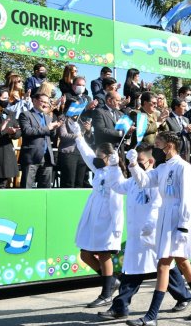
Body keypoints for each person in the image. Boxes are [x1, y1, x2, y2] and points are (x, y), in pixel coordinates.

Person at [97, 143, 191, 320]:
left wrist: (151, 224)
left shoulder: (156, 180)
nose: (137, 164)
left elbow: (159, 204)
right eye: (135, 161)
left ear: (151, 161)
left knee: (162, 268)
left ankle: (183, 296)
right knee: (136, 270)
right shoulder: (134, 180)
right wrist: (113, 166)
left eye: (140, 161)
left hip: (153, 233)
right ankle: (121, 306)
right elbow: (117, 186)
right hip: (136, 235)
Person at [126, 131, 191, 324]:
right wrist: (132, 165)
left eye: (159, 143)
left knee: (164, 264)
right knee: (181, 262)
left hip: (178, 218)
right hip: (165, 215)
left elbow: (187, 199)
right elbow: (145, 181)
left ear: (170, 145)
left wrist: (183, 227)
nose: (156, 147)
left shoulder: (184, 167)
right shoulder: (163, 168)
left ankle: (151, 316)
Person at [69, 121, 124, 308]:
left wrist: (117, 228)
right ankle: (112, 281)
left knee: (103, 253)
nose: (98, 159)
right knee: (85, 253)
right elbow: (87, 154)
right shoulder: (99, 170)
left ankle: (106, 293)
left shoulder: (115, 175)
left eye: (102, 156)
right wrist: (78, 136)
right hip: (93, 216)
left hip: (107, 219)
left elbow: (117, 203)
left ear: (110, 157)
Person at [18, 93, 62, 188]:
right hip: (31, 157)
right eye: (43, 101)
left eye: (47, 103)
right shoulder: (25, 115)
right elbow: (27, 131)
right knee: (27, 187)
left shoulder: (48, 117)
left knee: (45, 189)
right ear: (34, 101)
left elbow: (51, 135)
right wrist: (48, 128)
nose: (45, 105)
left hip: (47, 157)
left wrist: (54, 128)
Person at [0, 87, 21, 188]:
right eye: (4, 98)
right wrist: (4, 131)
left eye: (7, 98)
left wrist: (13, 133)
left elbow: (18, 131)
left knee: (2, 186)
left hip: (5, 155)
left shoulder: (9, 113)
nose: (6, 101)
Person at [161, 98, 191, 163]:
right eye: (183, 106)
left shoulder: (186, 119)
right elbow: (168, 136)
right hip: (173, 153)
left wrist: (190, 132)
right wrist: (184, 131)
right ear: (176, 107)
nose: (185, 109)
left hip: (185, 152)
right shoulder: (168, 119)